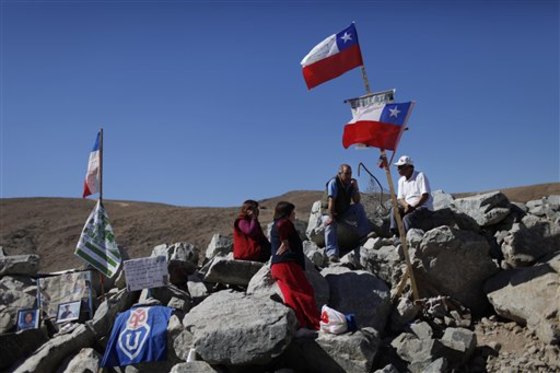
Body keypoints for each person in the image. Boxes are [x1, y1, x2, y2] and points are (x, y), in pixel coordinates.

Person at [270, 201, 320, 338]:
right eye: (293, 212)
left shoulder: (275, 225)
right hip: (287, 265)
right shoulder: (283, 222)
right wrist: (285, 241)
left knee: (291, 297)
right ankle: (317, 325)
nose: (294, 214)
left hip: (277, 267)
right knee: (305, 292)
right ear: (287, 214)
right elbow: (282, 225)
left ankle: (301, 326)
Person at [322, 164, 374, 262]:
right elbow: (331, 201)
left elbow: (356, 201)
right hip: (329, 211)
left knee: (358, 208)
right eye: (346, 174)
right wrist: (331, 216)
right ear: (340, 173)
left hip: (343, 211)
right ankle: (332, 253)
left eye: (350, 174)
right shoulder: (334, 183)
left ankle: (364, 235)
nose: (348, 176)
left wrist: (356, 188)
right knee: (329, 224)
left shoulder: (350, 183)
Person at [390, 155, 434, 234]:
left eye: (401, 167)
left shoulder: (420, 176)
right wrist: (406, 206)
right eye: (398, 167)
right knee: (395, 210)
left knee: (407, 218)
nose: (398, 169)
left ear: (409, 167)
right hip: (409, 207)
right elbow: (400, 198)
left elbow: (425, 195)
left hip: (422, 207)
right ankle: (396, 234)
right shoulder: (401, 181)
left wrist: (413, 207)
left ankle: (410, 236)